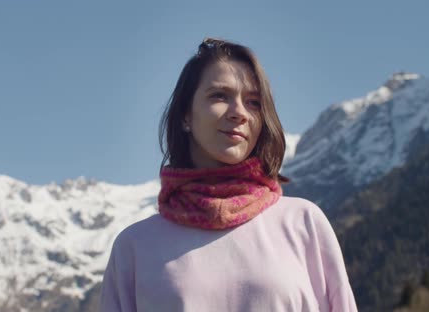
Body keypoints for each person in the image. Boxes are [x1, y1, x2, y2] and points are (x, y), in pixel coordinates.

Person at [99, 38, 358, 312]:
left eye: (254, 102)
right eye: (220, 96)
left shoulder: (304, 223)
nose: (239, 113)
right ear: (186, 114)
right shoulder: (134, 247)